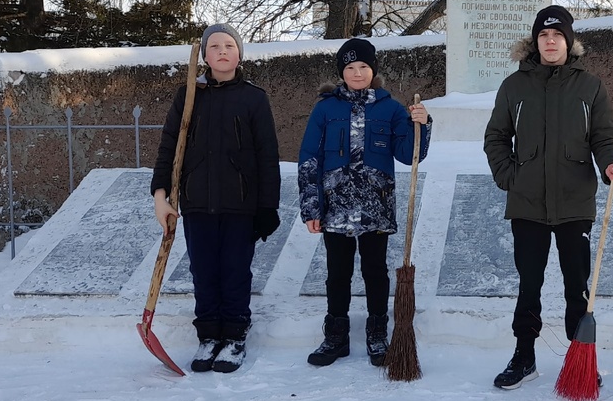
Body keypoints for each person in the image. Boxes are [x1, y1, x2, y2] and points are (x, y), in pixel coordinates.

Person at [483, 4, 613, 390]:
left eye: (557, 35)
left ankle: (579, 357)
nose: (550, 41)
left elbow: (604, 135)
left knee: (576, 284)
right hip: (527, 202)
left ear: (568, 41)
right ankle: (524, 355)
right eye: (543, 36)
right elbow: (496, 136)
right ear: (535, 42)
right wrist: (509, 177)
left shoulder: (590, 86)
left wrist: (612, 164)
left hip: (574, 200)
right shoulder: (515, 86)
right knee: (528, 282)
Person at [152, 23, 281, 374]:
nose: (222, 51)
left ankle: (235, 336)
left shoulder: (254, 97)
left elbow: (267, 155)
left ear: (239, 54)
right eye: (214, 46)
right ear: (204, 55)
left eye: (230, 45)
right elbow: (169, 147)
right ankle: (209, 336)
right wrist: (160, 196)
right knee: (203, 271)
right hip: (196, 203)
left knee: (235, 271)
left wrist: (267, 206)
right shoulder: (189, 95)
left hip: (241, 205)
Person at [298, 38, 430, 369]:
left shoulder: (391, 108)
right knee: (337, 272)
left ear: (374, 70)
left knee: (375, 270)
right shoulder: (325, 108)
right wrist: (312, 208)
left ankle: (377, 334)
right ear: (342, 72)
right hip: (336, 205)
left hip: (376, 205)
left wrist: (422, 125)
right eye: (350, 68)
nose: (357, 73)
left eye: (364, 67)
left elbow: (408, 154)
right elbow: (309, 158)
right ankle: (336, 336)